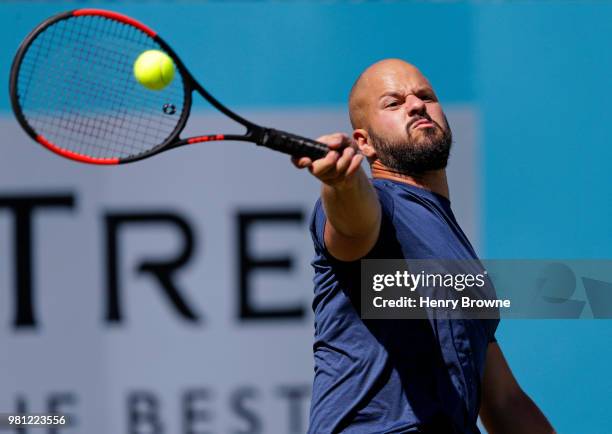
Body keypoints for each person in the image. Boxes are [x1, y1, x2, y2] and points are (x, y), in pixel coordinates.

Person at [293, 59, 555, 434]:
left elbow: (503, 400)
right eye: (393, 103)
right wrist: (342, 183)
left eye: (425, 96)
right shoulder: (379, 200)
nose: (416, 105)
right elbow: (352, 225)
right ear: (363, 143)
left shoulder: (453, 245)